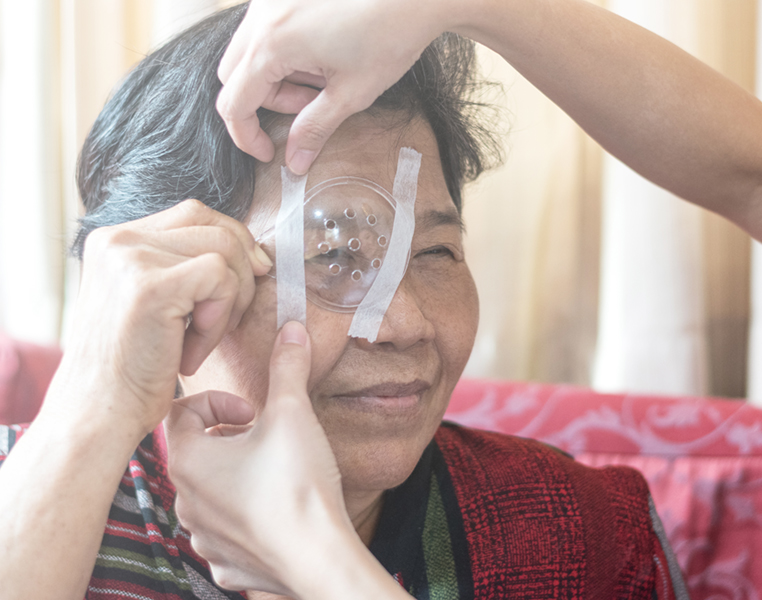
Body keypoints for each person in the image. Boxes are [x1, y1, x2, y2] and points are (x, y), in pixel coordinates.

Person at [0, 3, 687, 600]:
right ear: (169, 285)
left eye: (436, 254)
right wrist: (89, 403)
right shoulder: (33, 490)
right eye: (333, 256)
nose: (407, 323)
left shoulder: (573, 531)